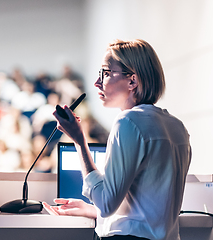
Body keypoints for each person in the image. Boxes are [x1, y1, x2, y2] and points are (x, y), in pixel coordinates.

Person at [47, 39, 191, 240]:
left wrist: (79, 141)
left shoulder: (128, 122)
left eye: (105, 73)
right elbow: (149, 209)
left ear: (132, 81)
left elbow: (106, 203)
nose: (97, 82)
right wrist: (92, 210)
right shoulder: (177, 127)